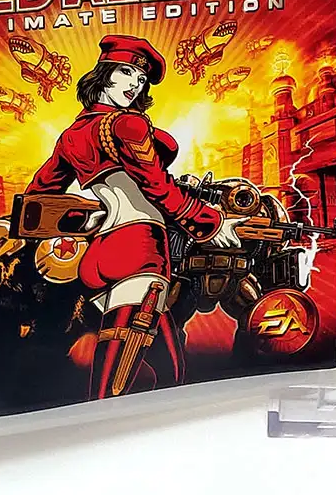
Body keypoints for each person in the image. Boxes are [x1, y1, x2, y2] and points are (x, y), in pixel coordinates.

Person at [25, 34, 244, 398]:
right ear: (104, 73)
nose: (134, 84)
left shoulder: (72, 136)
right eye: (126, 72)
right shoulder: (128, 125)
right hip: (139, 249)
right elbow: (157, 186)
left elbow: (37, 196)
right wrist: (209, 222)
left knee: (172, 374)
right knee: (111, 387)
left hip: (101, 255)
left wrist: (88, 219)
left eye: (141, 79)